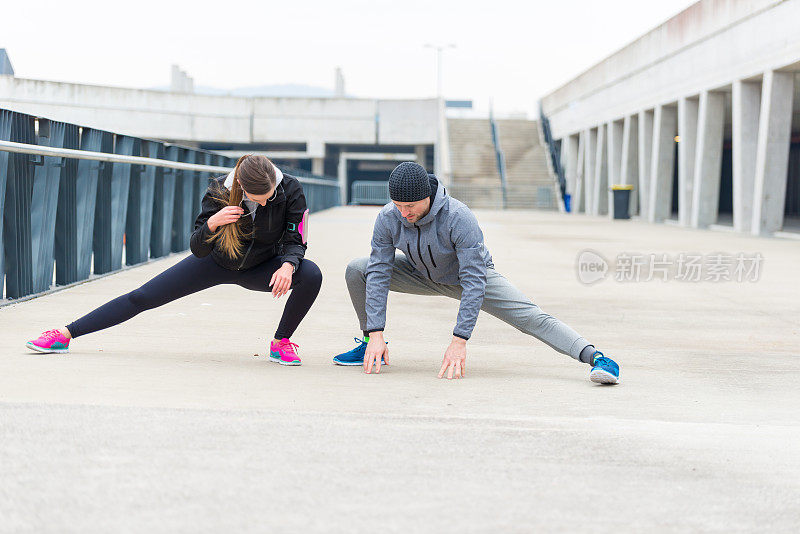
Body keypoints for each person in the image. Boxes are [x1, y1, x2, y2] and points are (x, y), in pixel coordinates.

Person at [332, 162, 620, 383]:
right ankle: (369, 345)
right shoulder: (388, 218)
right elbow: (381, 271)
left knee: (531, 316)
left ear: (427, 197)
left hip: (467, 277)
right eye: (398, 206)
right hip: (419, 273)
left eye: (410, 206)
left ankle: (596, 358)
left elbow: (473, 280)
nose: (403, 213)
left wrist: (459, 340)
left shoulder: (458, 217)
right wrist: (376, 332)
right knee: (359, 270)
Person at [26, 154, 322, 366]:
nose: (265, 202)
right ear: (242, 187)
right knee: (142, 297)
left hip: (261, 268)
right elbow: (198, 248)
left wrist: (288, 264)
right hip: (216, 262)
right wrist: (213, 224)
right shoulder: (219, 189)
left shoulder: (291, 189)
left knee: (311, 274)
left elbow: (297, 239)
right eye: (257, 197)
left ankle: (281, 343)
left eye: (269, 196)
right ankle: (64, 335)